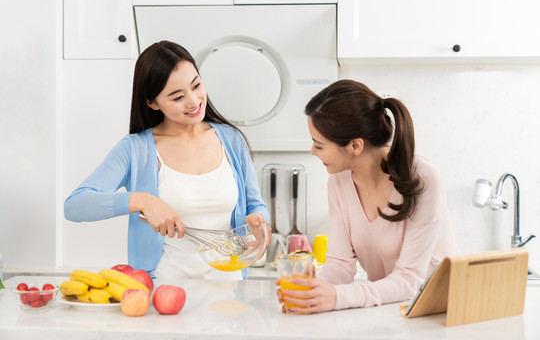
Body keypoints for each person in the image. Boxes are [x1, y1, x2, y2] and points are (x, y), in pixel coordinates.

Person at [64, 40, 270, 280]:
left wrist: (260, 222)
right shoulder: (136, 149)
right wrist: (140, 200)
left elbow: (255, 205)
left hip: (230, 294)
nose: (193, 101)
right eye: (177, 97)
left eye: (196, 85)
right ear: (152, 103)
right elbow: (75, 206)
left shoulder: (231, 140)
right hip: (165, 297)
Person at [277, 79, 458, 313]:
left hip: (438, 312)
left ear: (355, 146)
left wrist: (336, 297)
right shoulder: (338, 181)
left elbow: (410, 280)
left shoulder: (424, 177)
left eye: (319, 145)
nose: (312, 151)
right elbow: (340, 265)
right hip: (389, 309)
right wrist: (311, 291)